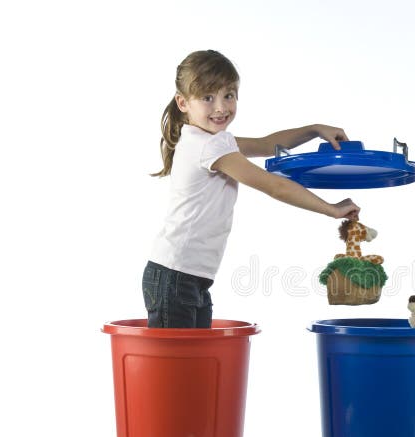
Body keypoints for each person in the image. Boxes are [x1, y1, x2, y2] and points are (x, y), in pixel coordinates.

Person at [143, 50, 360, 328]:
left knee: (192, 364)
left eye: (229, 95)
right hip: (175, 276)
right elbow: (275, 186)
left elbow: (266, 144)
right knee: (177, 367)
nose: (221, 107)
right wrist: (331, 209)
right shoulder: (208, 145)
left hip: (185, 275)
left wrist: (314, 130)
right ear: (183, 103)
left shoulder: (210, 139)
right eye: (208, 97)